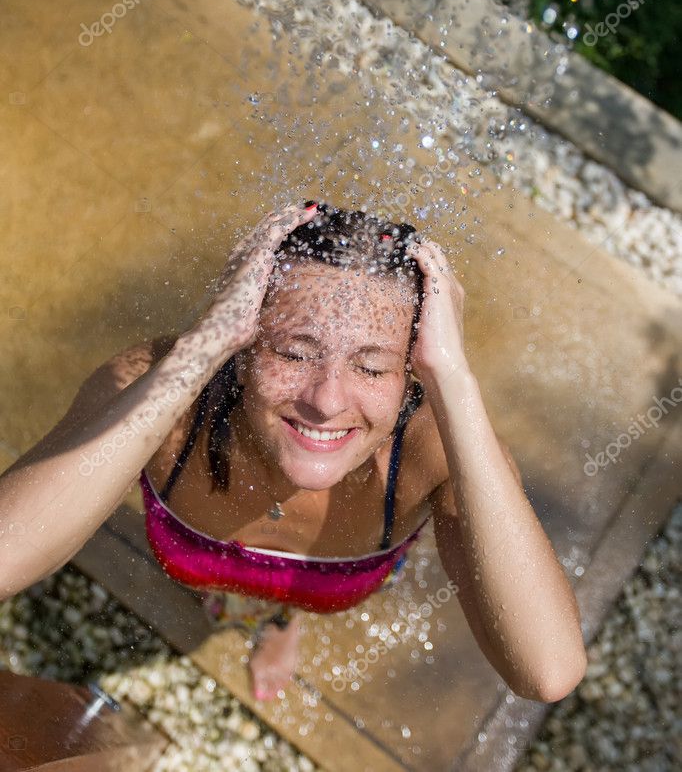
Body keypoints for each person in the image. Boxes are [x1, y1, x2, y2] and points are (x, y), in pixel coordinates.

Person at [0, 201, 587, 704]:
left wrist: (455, 383)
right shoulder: (163, 396)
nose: (327, 400)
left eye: (372, 366)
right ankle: (249, 607)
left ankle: (281, 619)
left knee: (278, 607)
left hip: (304, 580)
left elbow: (548, 672)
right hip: (219, 512)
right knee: (218, 591)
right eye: (294, 353)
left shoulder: (432, 451)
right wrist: (204, 344)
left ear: (412, 375)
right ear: (245, 342)